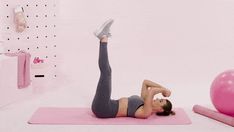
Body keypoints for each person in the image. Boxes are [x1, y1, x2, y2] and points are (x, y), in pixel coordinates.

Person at [91, 19, 175, 119]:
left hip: (104, 109)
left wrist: (164, 90)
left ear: (160, 109)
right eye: (160, 99)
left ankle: (103, 38)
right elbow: (146, 82)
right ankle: (103, 38)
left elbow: (152, 90)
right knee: (107, 71)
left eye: (160, 101)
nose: (157, 99)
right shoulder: (145, 101)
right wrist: (164, 89)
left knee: (107, 72)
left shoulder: (146, 112)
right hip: (106, 104)